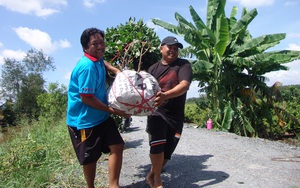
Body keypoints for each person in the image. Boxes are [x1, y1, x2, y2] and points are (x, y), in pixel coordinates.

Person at [66, 27, 130, 188]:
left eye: (102, 42)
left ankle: (113, 185)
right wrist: (114, 111)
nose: (101, 46)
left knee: (117, 145)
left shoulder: (98, 59)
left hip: (101, 116)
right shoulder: (86, 67)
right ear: (85, 48)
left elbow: (104, 62)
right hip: (84, 121)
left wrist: (116, 70)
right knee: (90, 158)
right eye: (95, 44)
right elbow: (87, 99)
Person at [145, 36, 193, 188]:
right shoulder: (152, 69)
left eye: (176, 48)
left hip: (176, 115)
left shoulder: (183, 65)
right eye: (169, 47)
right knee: (157, 145)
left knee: (167, 153)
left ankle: (152, 174)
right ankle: (157, 181)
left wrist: (166, 95)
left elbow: (184, 85)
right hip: (157, 113)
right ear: (161, 48)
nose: (173, 50)